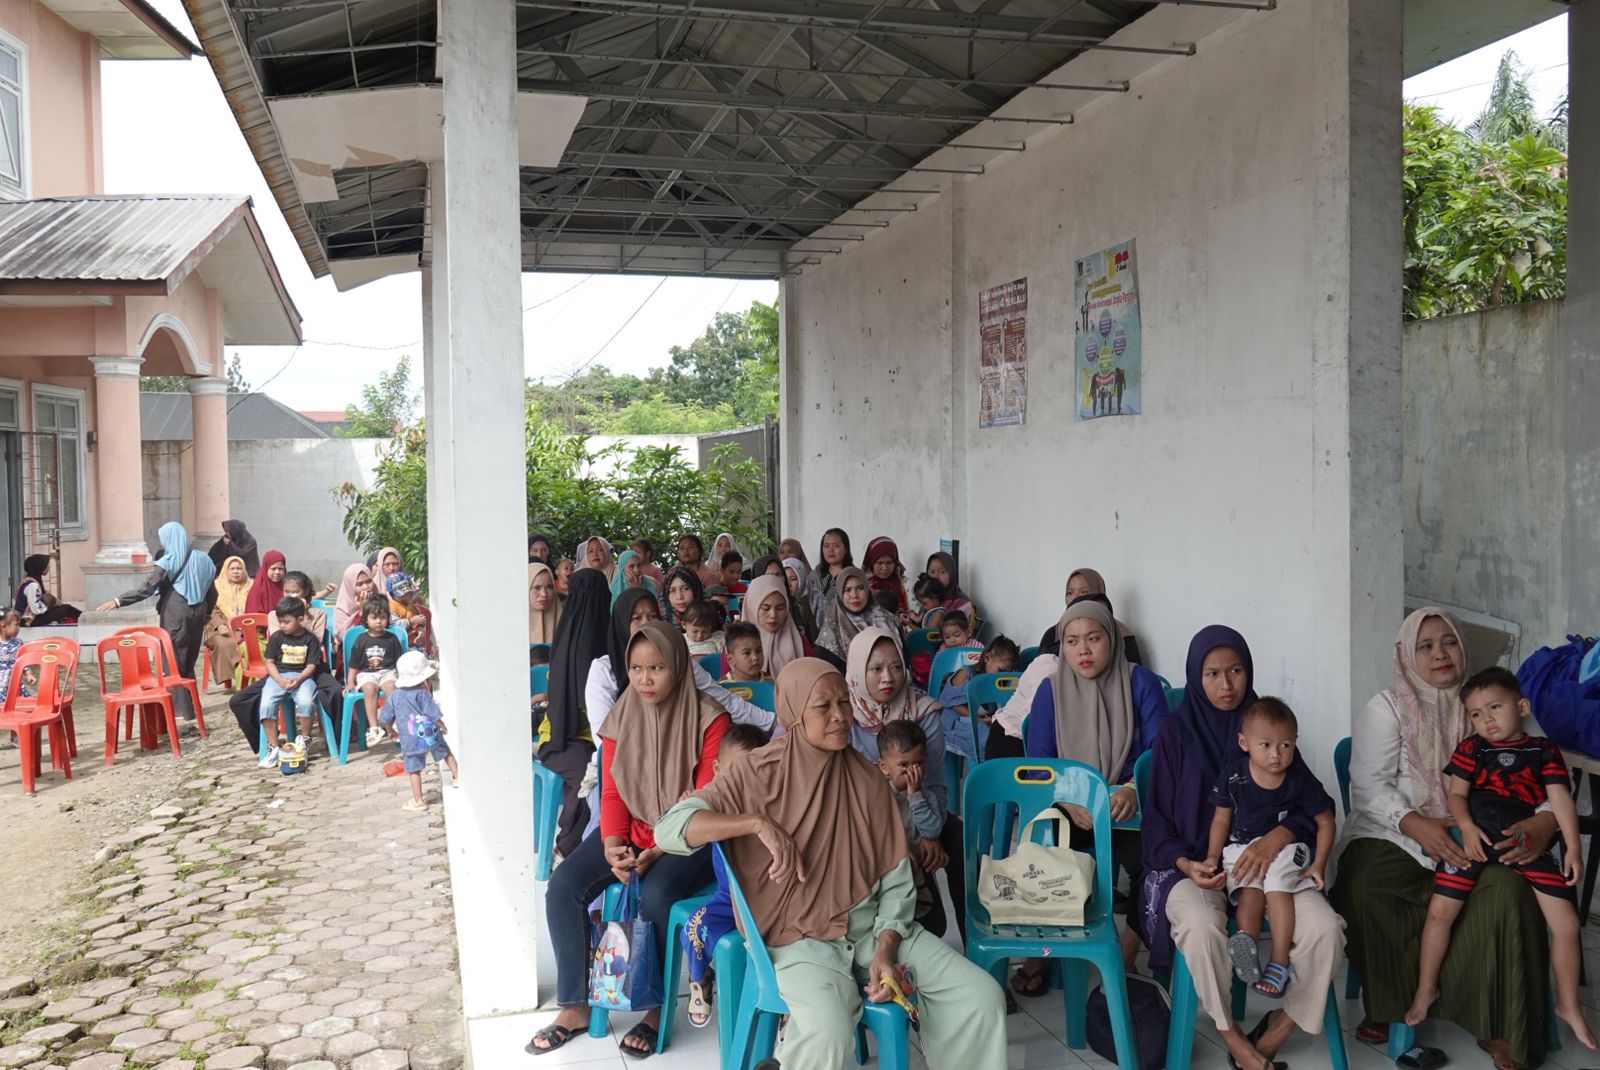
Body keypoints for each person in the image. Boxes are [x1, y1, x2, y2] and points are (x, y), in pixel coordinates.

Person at [653, 658, 1008, 1070]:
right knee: (828, 1032)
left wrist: (886, 948)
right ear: (794, 711)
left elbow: (896, 882)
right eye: (823, 706)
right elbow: (669, 829)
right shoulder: (755, 772)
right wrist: (755, 823)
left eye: (844, 702)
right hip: (797, 938)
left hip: (873, 928)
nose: (840, 715)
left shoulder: (868, 781)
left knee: (979, 995)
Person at [1330, 608, 1558, 1069]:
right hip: (1398, 832)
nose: (1440, 653)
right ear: (1406, 654)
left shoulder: (1493, 699)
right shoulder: (1388, 707)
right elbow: (1368, 785)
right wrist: (1415, 823)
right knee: (1365, 881)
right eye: (1426, 645)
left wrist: (1545, 822)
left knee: (1508, 891)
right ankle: (1391, 1003)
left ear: (1463, 646)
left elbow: (1550, 777)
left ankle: (1496, 1020)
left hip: (1484, 833)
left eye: (1449, 641)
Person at [1141, 626, 1343, 1070]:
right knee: (1200, 925)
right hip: (1199, 865)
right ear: (1196, 676)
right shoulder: (1175, 732)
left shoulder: (1266, 726)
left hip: (1272, 867)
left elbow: (1313, 805)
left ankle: (1278, 1028)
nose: (1226, 684)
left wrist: (1277, 837)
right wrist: (1187, 864)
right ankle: (1231, 1035)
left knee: (1326, 929)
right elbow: (1155, 821)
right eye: (1212, 673)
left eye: (1235, 671)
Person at [528, 622, 728, 1058]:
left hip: (689, 836)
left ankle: (653, 1009)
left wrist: (658, 848)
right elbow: (614, 789)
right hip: (632, 829)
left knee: (656, 895)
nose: (645, 679)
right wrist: (612, 843)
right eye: (636, 669)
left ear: (678, 665)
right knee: (563, 886)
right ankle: (575, 1006)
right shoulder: (622, 715)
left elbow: (705, 796)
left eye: (657, 667)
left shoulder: (711, 719)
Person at [1402, 667, 1595, 1047]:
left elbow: (1559, 799)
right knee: (1439, 913)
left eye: (1495, 707)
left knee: (1567, 923)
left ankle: (1568, 1004)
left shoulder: (1543, 751)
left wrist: (1573, 847)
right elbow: (1457, 795)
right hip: (1473, 842)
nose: (1486, 720)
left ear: (1521, 707)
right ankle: (1426, 988)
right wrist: (1466, 828)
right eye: (1476, 713)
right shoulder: (1472, 748)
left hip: (1524, 846)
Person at [1017, 600, 1165, 987]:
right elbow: (1040, 765)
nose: (1083, 650)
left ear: (1112, 639)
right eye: (1072, 641)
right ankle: (1047, 951)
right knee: (1053, 863)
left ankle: (1127, 955)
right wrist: (1067, 800)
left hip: (1128, 806)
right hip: (1072, 806)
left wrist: (1132, 789)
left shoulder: (1141, 682)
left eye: (1094, 638)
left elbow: (1160, 752)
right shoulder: (1051, 691)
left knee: (1157, 866)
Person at [1203, 697, 1336, 998]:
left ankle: (1279, 962)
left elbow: (1326, 821)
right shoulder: (1233, 776)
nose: (1276, 754)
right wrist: (1212, 855)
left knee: (1277, 888)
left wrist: (1319, 863)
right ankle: (1246, 945)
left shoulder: (1299, 780)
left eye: (1285, 745)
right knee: (1248, 891)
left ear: (1295, 742)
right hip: (1242, 847)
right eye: (1265, 745)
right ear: (1244, 743)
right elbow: (1221, 819)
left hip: (1287, 849)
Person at [844, 628, 963, 941]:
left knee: (959, 839)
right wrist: (895, 844)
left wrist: (932, 835)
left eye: (896, 666)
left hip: (918, 809)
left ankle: (974, 939)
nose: (888, 678)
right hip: (864, 824)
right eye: (875, 669)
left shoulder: (924, 710)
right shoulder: (844, 715)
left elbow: (935, 780)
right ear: (857, 670)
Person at [585, 586, 774, 737]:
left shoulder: (679, 659)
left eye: (653, 616)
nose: (647, 624)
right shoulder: (604, 670)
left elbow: (723, 699)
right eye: (636, 618)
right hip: (624, 758)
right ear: (621, 624)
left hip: (679, 749)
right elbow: (603, 734)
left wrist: (772, 722)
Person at [680, 721, 769, 1029]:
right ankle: (701, 978)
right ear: (718, 769)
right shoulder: (712, 806)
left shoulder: (771, 807)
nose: (745, 782)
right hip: (729, 900)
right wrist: (689, 805)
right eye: (736, 772)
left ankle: (785, 1012)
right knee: (692, 929)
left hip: (769, 903)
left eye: (754, 771)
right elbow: (680, 827)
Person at [96, 522, 216, 719]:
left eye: (164, 540)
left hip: (176, 611)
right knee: (188, 660)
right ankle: (192, 705)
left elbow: (147, 588)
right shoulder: (205, 559)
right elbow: (213, 591)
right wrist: (207, 612)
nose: (163, 544)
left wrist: (118, 601)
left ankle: (180, 710)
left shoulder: (168, 561)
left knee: (172, 659)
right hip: (199, 612)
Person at [539, 569, 611, 856]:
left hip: (599, 736)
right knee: (587, 776)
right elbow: (571, 707)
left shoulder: (609, 640)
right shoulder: (568, 644)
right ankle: (567, 848)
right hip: (561, 737)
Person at [877, 718, 951, 934]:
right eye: (903, 765)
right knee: (896, 918)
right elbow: (875, 826)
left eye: (918, 763)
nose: (912, 771)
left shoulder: (925, 797)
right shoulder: (878, 796)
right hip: (890, 871)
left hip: (921, 869)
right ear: (884, 767)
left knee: (933, 922)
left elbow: (932, 830)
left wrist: (915, 796)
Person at [380, 649, 460, 812]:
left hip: (410, 740)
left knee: (414, 770)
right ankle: (457, 777)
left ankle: (418, 800)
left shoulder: (394, 695)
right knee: (445, 753)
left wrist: (390, 731)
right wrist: (442, 724)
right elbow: (432, 712)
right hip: (431, 733)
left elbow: (386, 717)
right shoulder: (423, 692)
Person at [257, 596, 323, 768]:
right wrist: (280, 679)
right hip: (278, 676)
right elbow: (269, 662)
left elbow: (311, 666)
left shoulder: (310, 639)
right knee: (266, 704)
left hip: (302, 677)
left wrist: (299, 679)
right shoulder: (277, 637)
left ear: (300, 620)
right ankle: (273, 746)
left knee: (306, 701)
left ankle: (305, 739)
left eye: (286, 622)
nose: (282, 625)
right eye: (280, 621)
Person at [940, 634, 1020, 762]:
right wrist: (978, 719)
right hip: (954, 722)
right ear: (987, 658)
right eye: (1001, 670)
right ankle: (986, 766)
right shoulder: (966, 673)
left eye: (1007, 673)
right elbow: (951, 702)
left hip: (980, 721)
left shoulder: (997, 681)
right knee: (987, 738)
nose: (1002, 676)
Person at [1038, 569, 1143, 665]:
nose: (1075, 597)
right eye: (1069, 592)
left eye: (1084, 592)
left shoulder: (1121, 633)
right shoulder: (1054, 633)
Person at [815, 566, 897, 668]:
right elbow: (829, 671)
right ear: (840, 594)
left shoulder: (889, 621)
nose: (854, 595)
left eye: (860, 588)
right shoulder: (831, 631)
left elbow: (904, 660)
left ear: (867, 589)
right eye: (847, 590)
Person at [348, 595, 403, 747]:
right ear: (366, 619)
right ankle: (374, 728)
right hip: (367, 673)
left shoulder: (392, 638)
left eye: (383, 617)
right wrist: (350, 681)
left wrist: (403, 678)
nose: (379, 621)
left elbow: (399, 662)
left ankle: (392, 722)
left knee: (391, 687)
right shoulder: (361, 639)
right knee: (370, 688)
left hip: (387, 672)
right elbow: (353, 663)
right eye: (374, 618)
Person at [740, 575, 810, 679]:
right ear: (752, 607)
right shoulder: (735, 644)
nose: (773, 615)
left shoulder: (799, 643)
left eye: (780, 608)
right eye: (766, 608)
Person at [203, 555, 252, 687]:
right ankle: (235, 674)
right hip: (219, 626)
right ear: (225, 570)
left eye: (239, 568)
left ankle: (246, 674)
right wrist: (220, 625)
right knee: (225, 643)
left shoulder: (250, 586)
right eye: (232, 569)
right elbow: (211, 610)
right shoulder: (216, 587)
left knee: (251, 643)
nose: (236, 572)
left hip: (245, 626)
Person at [14, 555, 81, 626]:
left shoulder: (28, 581)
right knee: (66, 609)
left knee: (62, 609)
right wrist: (49, 605)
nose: (48, 567)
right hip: (28, 621)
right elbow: (36, 609)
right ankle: (85, 618)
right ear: (38, 566)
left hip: (27, 618)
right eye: (45, 565)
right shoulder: (32, 585)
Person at [862, 537, 911, 620]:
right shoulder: (861, 585)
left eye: (889, 562)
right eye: (879, 563)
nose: (884, 568)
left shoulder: (903, 583)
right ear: (871, 562)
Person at [924, 552, 974, 628]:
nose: (936, 577)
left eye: (942, 572)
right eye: (932, 572)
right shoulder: (927, 598)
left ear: (951, 574)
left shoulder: (962, 602)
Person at [333, 563, 377, 639]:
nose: (366, 587)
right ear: (350, 586)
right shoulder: (341, 609)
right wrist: (362, 611)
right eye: (359, 584)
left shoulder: (379, 600)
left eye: (368, 581)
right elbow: (344, 637)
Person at [781, 556, 821, 640]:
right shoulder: (778, 602)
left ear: (802, 578)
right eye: (785, 579)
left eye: (793, 579)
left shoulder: (814, 599)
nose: (788, 584)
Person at [659, 563, 706, 628]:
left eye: (686, 589)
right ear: (666, 594)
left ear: (695, 590)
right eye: (672, 590)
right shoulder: (659, 622)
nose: (679, 597)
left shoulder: (709, 617)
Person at [528, 561, 562, 645]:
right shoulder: (509, 626)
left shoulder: (566, 625)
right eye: (537, 588)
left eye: (549, 587)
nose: (544, 594)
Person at [815, 527, 853, 601]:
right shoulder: (815, 574)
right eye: (826, 546)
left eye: (836, 546)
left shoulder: (854, 575)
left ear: (846, 549)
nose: (830, 550)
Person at [245, 550, 287, 615]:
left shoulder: (287, 586)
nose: (277, 572)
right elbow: (253, 614)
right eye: (273, 569)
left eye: (280, 568)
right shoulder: (258, 588)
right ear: (266, 569)